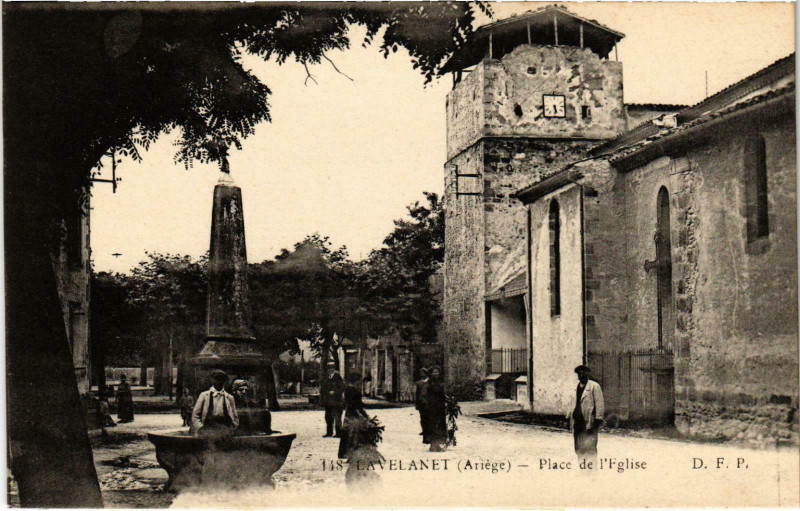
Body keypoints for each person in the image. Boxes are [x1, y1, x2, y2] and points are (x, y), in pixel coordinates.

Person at [567, 364, 605, 467]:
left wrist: (598, 419)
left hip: (589, 422)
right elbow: (571, 403)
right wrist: (568, 417)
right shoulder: (575, 387)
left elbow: (599, 404)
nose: (582, 375)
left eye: (584, 373)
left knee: (590, 447)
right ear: (577, 375)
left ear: (588, 374)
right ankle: (582, 468)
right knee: (578, 447)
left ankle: (591, 471)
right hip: (577, 423)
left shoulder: (594, 386)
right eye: (579, 373)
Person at [191, 369, 239, 437]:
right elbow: (195, 414)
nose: (219, 382)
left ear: (224, 382)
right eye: (217, 379)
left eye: (221, 380)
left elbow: (235, 415)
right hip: (208, 429)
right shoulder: (204, 395)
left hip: (225, 429)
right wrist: (200, 428)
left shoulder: (229, 397)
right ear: (212, 381)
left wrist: (232, 427)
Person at [422, 366, 447, 452]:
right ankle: (433, 445)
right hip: (431, 408)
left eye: (437, 372)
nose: (436, 374)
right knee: (433, 426)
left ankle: (437, 445)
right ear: (431, 374)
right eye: (434, 372)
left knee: (439, 425)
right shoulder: (428, 383)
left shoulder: (439, 383)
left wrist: (449, 401)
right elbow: (424, 396)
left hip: (440, 407)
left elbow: (442, 395)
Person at [320, 363, 345, 438]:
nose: (330, 370)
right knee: (328, 417)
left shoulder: (338, 376)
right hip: (328, 401)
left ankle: (339, 433)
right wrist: (326, 393)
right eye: (328, 369)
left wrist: (335, 392)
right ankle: (329, 432)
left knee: (337, 417)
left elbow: (342, 387)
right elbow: (322, 388)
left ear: (334, 369)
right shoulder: (326, 378)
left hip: (337, 401)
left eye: (331, 368)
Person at [415, 367, 430, 443]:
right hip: (422, 404)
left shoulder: (430, 382)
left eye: (423, 373)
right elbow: (417, 394)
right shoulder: (419, 383)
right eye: (421, 373)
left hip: (429, 403)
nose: (422, 374)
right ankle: (424, 431)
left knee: (429, 419)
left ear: (426, 373)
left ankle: (428, 435)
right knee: (422, 419)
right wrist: (417, 404)